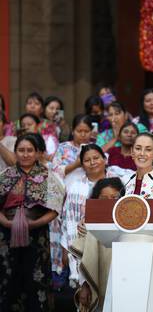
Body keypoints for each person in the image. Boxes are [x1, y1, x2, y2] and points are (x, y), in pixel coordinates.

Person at [0, 134, 64, 312]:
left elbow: (55, 208)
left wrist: (34, 224)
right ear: (15, 152)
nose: (25, 154)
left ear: (38, 153)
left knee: (35, 282)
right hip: (6, 238)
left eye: (30, 150)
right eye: (21, 150)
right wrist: (6, 223)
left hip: (36, 238)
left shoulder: (47, 176)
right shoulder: (5, 175)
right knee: (8, 282)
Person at [70, 178, 124, 312]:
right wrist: (85, 286)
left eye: (115, 198)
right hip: (96, 281)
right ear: (96, 199)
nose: (110, 202)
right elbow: (85, 259)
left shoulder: (131, 222)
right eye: (104, 198)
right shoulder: (89, 222)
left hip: (123, 284)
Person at [50, 114, 93, 288]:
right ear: (73, 131)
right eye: (79, 130)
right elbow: (55, 170)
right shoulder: (63, 147)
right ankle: (60, 272)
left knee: (78, 231)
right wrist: (77, 162)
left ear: (91, 132)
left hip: (83, 197)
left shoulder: (93, 148)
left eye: (86, 131)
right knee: (61, 233)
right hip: (63, 195)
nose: (82, 134)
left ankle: (82, 272)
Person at [60, 144, 107, 286]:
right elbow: (67, 221)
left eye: (96, 158)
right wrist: (66, 250)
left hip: (109, 245)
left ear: (104, 159)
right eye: (87, 160)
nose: (92, 163)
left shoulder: (119, 181)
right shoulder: (75, 187)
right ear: (82, 165)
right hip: (83, 245)